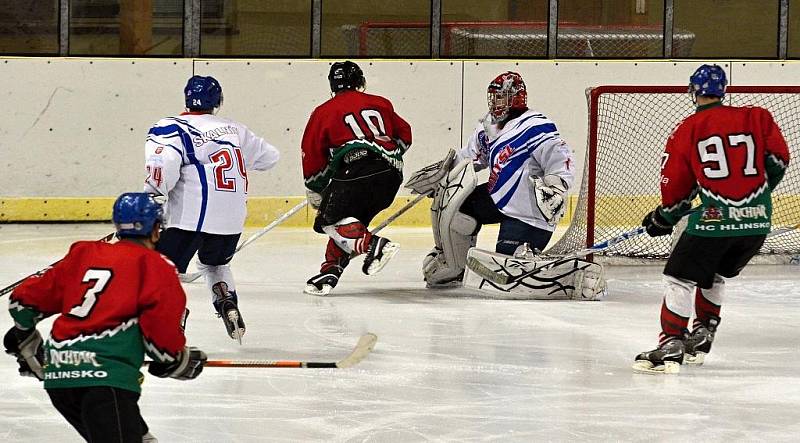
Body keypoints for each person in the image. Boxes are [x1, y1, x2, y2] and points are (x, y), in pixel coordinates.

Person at [4, 193, 207, 442]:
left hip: (59, 377)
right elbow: (161, 343)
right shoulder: (156, 265)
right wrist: (178, 359)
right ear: (156, 229)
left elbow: (22, 301)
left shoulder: (84, 254)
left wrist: (24, 337)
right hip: (106, 381)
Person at [633, 64, 791, 374]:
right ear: (723, 91)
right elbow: (779, 160)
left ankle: (672, 344)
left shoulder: (688, 127)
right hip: (757, 222)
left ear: (693, 92)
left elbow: (678, 184)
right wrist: (757, 194)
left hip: (714, 221)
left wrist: (664, 216)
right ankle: (703, 332)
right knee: (714, 273)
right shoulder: (756, 117)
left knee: (679, 277)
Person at [407, 71, 575, 287]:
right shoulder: (489, 126)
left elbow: (560, 155)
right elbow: (469, 157)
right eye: (493, 97)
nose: (495, 103)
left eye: (500, 97)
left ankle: (538, 263)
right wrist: (442, 175)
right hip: (498, 198)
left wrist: (557, 185)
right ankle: (455, 264)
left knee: (506, 270)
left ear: (516, 97)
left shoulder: (535, 126)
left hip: (528, 209)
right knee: (458, 205)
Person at [145, 75, 280, 342]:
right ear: (218, 101)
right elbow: (270, 158)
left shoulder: (171, 127)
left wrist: (152, 200)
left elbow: (162, 169)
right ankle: (226, 302)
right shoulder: (233, 129)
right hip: (231, 218)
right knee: (214, 265)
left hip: (189, 219)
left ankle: (173, 317)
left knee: (163, 269)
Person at [301, 61, 413, 296]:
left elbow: (312, 153)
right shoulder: (381, 103)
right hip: (391, 175)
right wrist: (384, 155)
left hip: (357, 170)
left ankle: (376, 246)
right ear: (360, 81)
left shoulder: (324, 111)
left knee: (328, 220)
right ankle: (330, 270)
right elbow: (405, 135)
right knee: (349, 223)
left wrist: (315, 186)